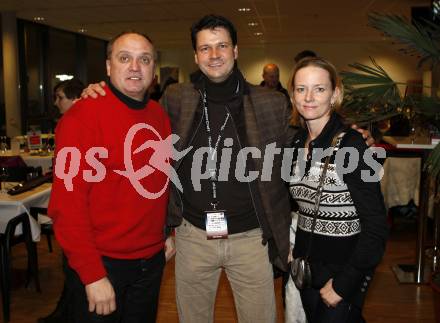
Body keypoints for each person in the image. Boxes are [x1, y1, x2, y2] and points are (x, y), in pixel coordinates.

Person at [82, 16, 375, 323]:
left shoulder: (269, 103)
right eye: (205, 48)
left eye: (221, 45)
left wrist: (351, 135)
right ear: (195, 56)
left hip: (250, 238)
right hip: (192, 236)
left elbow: (304, 142)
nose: (214, 54)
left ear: (235, 50)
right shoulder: (176, 98)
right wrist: (100, 91)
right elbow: (137, 113)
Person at [48, 31, 174, 323]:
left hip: (151, 263)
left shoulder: (158, 115)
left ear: (153, 69)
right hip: (102, 266)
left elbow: (162, 181)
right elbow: (66, 207)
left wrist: (168, 231)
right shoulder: (81, 118)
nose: (134, 67)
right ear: (108, 67)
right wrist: (92, 275)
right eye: (124, 58)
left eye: (144, 59)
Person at [287, 56, 388, 322]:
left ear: (335, 94)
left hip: (343, 276)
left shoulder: (353, 145)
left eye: (319, 89)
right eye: (301, 89)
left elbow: (377, 225)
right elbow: (298, 205)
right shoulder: (295, 144)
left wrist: (345, 283)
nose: (309, 97)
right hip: (309, 275)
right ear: (293, 95)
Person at [38, 78, 85, 323]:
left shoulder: (73, 120)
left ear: (74, 98)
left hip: (76, 212)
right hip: (77, 209)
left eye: (60, 97)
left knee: (73, 268)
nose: (56, 103)